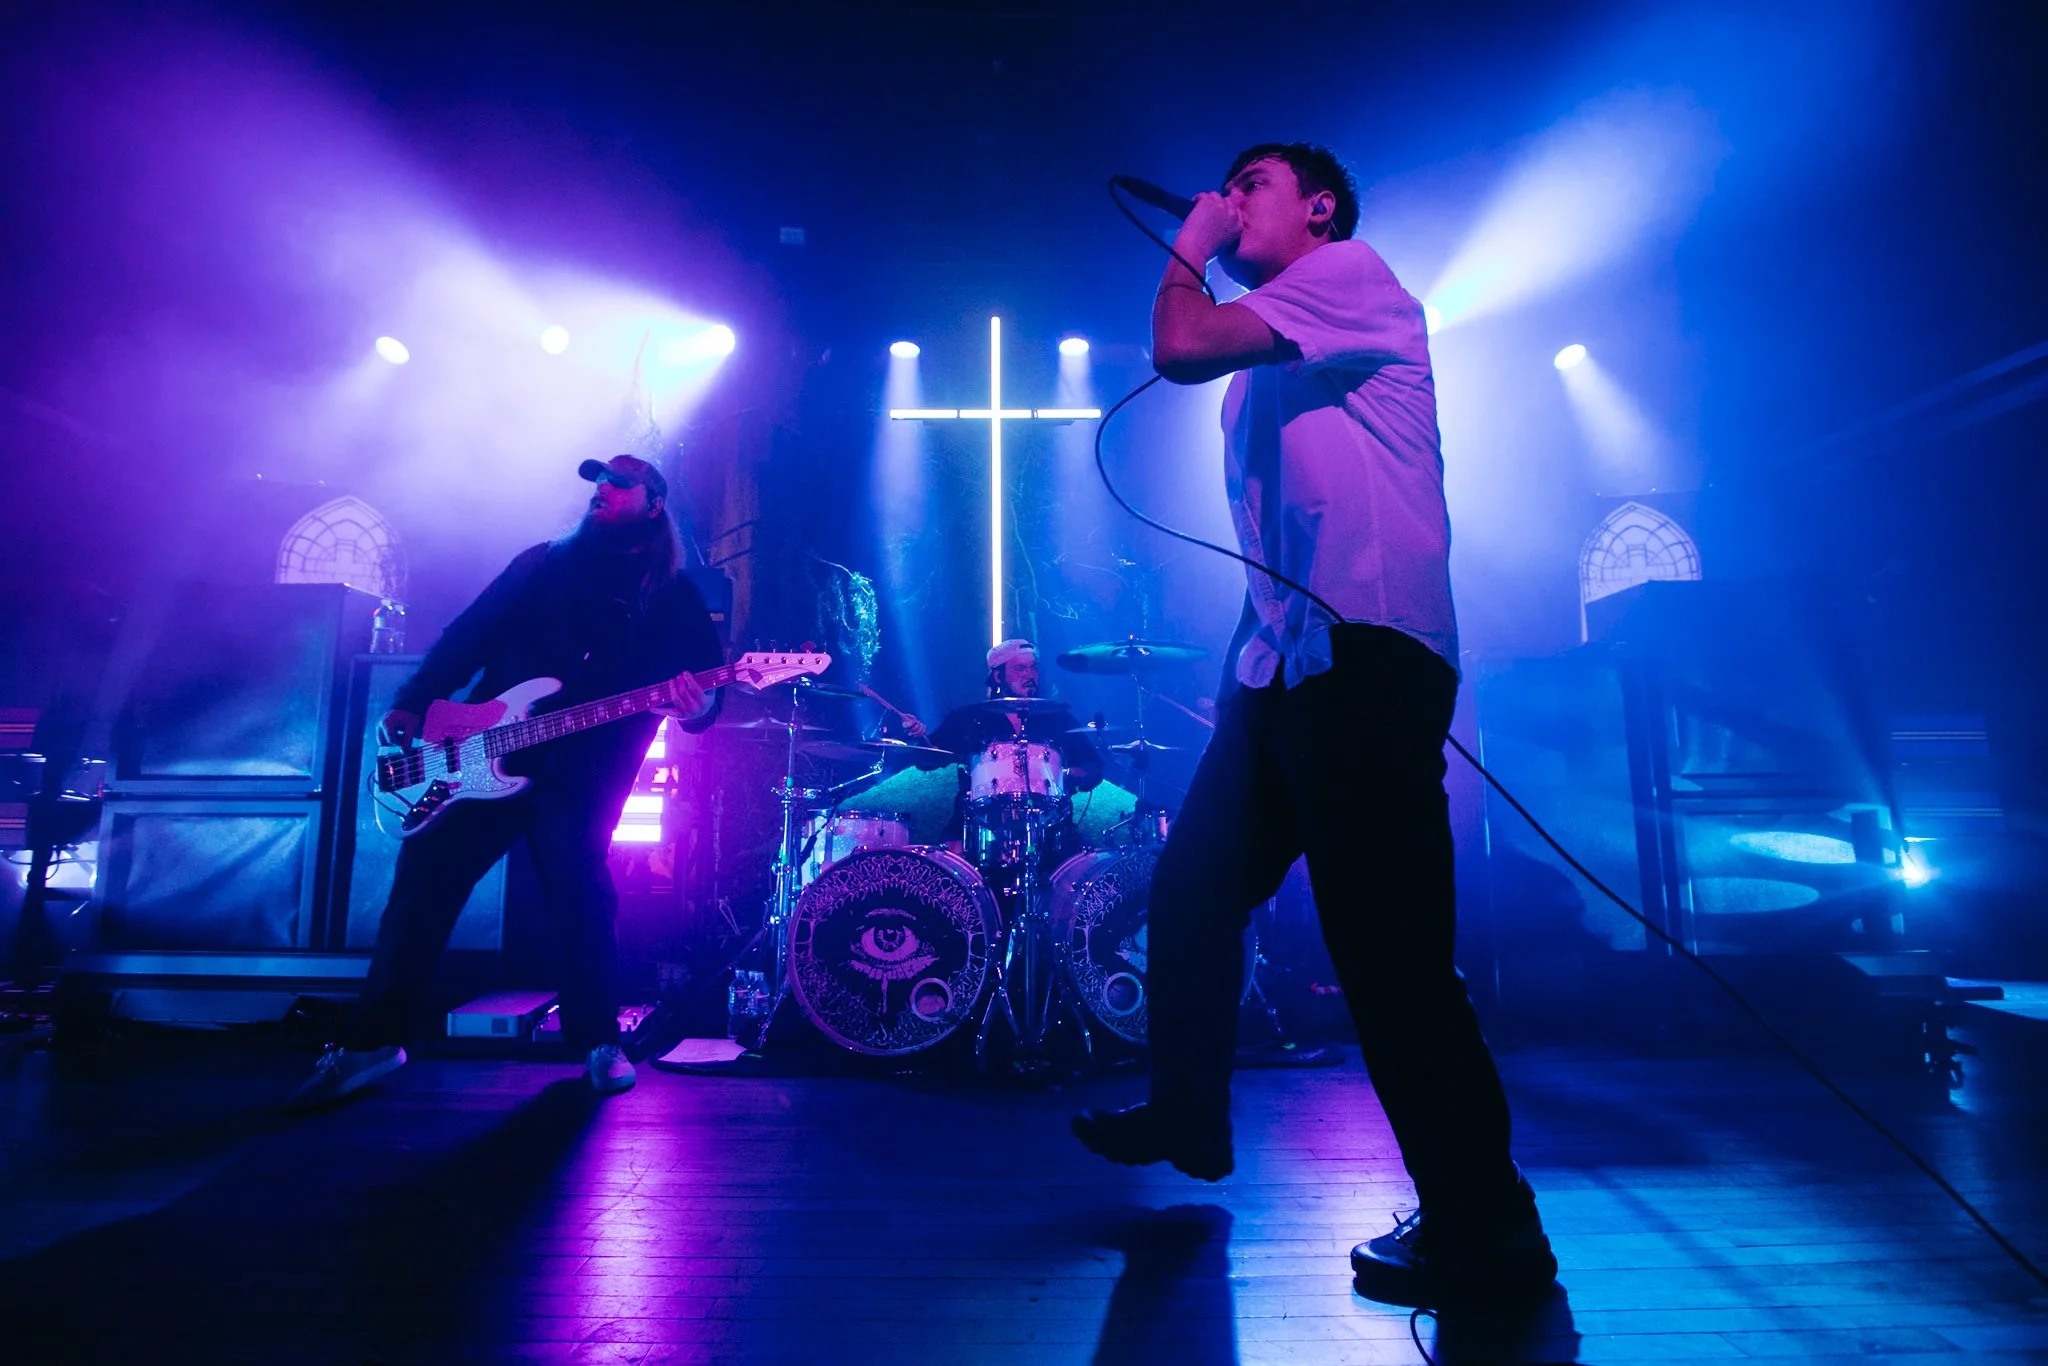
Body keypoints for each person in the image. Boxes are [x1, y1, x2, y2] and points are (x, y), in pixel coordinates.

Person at [1069, 144, 1557, 1307]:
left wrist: (1188, 248)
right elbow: (1284, 530)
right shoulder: (1267, 357)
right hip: (1288, 668)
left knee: (1386, 954)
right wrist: (1246, 667)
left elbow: (1175, 344)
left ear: (1320, 207)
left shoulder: (1353, 274)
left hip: (1370, 659)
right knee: (1189, 888)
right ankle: (1188, 1113)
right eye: (1225, 188)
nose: (1231, 200)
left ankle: (1487, 1221)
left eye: (1253, 185)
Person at [290, 454, 724, 1107]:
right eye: (597, 483)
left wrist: (700, 707)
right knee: (421, 891)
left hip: (585, 770)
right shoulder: (540, 563)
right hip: (480, 749)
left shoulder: (673, 594)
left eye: (618, 485)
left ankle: (598, 1044)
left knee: (583, 899)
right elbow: (468, 636)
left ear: (653, 504)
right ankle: (371, 1043)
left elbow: (707, 692)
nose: (601, 491)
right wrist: (414, 698)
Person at [903, 639, 1102, 867]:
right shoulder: (969, 717)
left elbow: (1094, 765)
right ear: (998, 676)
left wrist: (1066, 774)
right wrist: (918, 737)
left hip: (1049, 823)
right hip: (977, 822)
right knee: (950, 868)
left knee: (1084, 867)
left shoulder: (1057, 717)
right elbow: (927, 760)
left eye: (1033, 667)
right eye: (1020, 668)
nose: (1030, 674)